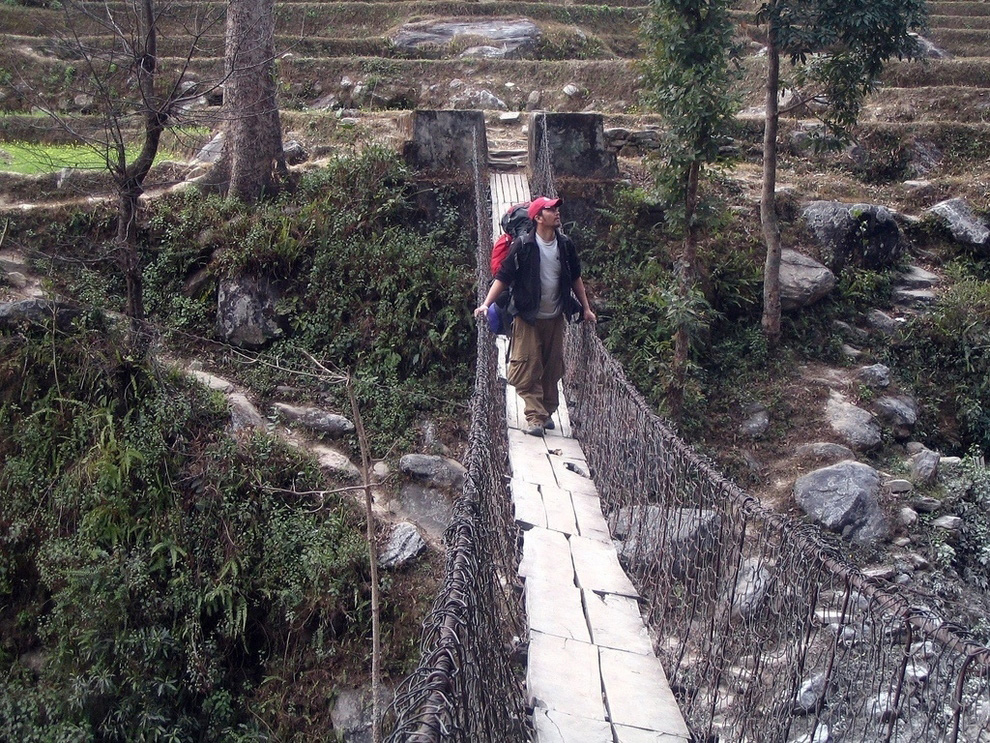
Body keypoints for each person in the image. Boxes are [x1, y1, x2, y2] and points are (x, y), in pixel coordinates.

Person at [473, 196, 596, 437]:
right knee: (526, 366)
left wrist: (586, 308)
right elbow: (504, 277)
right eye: (551, 210)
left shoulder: (565, 245)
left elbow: (575, 278)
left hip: (555, 315)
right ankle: (534, 416)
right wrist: (486, 304)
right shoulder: (524, 245)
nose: (557, 212)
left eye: (556, 208)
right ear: (538, 218)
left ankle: (546, 411)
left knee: (552, 368)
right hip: (527, 316)